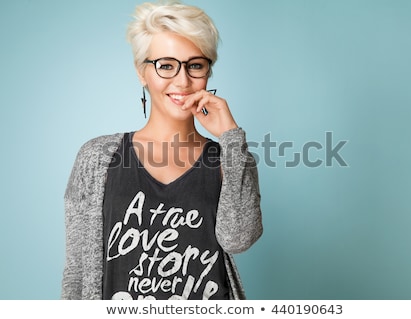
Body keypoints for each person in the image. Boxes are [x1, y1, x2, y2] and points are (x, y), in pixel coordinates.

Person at [61, 0, 262, 300]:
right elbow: (76, 272)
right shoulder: (96, 158)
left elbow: (238, 238)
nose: (182, 81)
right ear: (142, 72)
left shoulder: (229, 159)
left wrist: (231, 138)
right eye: (166, 65)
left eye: (195, 65)